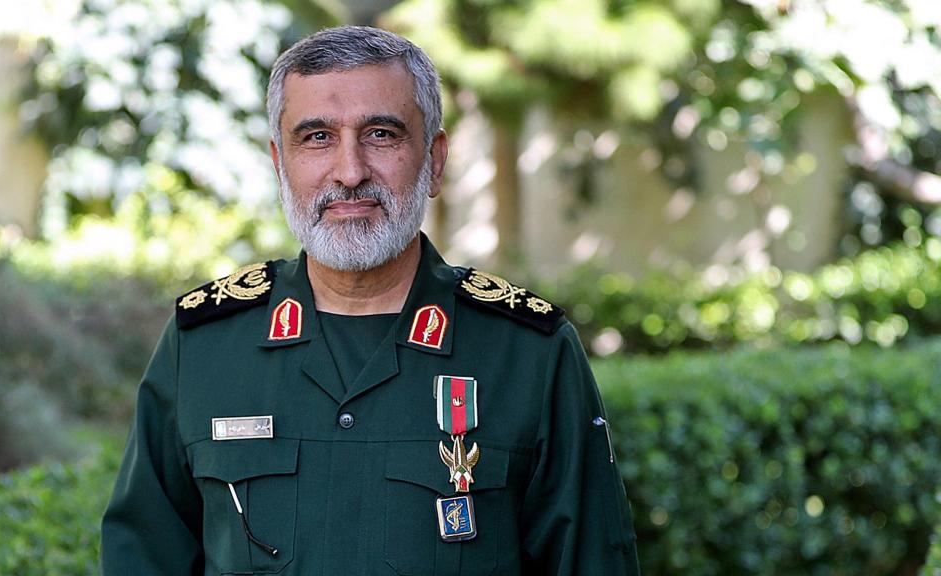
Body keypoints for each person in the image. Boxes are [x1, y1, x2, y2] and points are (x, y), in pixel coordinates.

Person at [101, 25, 639, 576]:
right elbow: (143, 556)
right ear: (278, 162)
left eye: (381, 134)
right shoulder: (205, 345)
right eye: (316, 138)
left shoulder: (528, 354)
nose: (351, 171)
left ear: (434, 160)